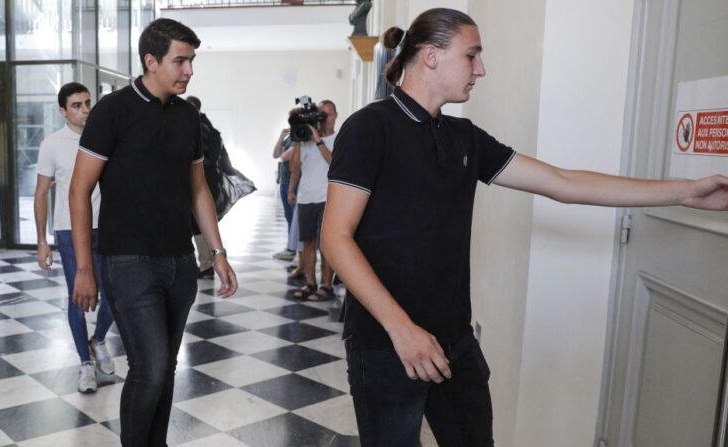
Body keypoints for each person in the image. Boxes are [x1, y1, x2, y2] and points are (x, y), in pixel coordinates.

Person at [321, 8, 728, 447]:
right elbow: (335, 238)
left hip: (454, 341)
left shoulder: (465, 137)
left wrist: (686, 191)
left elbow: (563, 182)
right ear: (432, 56)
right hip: (385, 344)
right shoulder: (370, 128)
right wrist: (401, 329)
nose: (481, 69)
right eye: (471, 55)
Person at [69, 18, 238, 447]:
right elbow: (79, 188)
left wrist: (216, 253)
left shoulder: (187, 117)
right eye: (180, 61)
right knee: (151, 366)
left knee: (166, 368)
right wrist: (84, 268)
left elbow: (199, 189)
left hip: (179, 263)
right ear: (151, 61)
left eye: (191, 61)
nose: (189, 70)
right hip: (128, 262)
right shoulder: (113, 110)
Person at [33, 82, 115, 394]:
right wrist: (43, 240)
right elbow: (41, 193)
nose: (85, 111)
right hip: (69, 232)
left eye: (87, 103)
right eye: (77, 105)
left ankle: (100, 339)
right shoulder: (51, 145)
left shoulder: (106, 139)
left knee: (113, 295)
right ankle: (85, 362)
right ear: (63, 111)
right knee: (78, 297)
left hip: (106, 229)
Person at [185, 96, 255, 279]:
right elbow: (224, 161)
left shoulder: (194, 129)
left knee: (197, 223)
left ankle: (206, 264)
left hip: (199, 183)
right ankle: (208, 261)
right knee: (203, 221)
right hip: (212, 182)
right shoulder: (213, 131)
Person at [288, 100, 338, 301]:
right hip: (306, 198)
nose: (324, 118)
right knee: (307, 243)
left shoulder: (339, 138)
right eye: (321, 114)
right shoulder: (306, 140)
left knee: (326, 245)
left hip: (328, 198)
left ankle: (327, 285)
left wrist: (318, 141)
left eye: (327, 114)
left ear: (335, 115)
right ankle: (310, 283)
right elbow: (295, 166)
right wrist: (299, 140)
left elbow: (335, 163)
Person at [272, 126, 298, 262]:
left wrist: (284, 154)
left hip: (294, 183)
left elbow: (283, 157)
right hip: (284, 182)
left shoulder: (300, 139)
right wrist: (281, 136)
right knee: (289, 217)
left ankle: (295, 249)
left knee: (295, 219)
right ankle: (291, 247)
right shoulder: (288, 139)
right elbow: (276, 154)